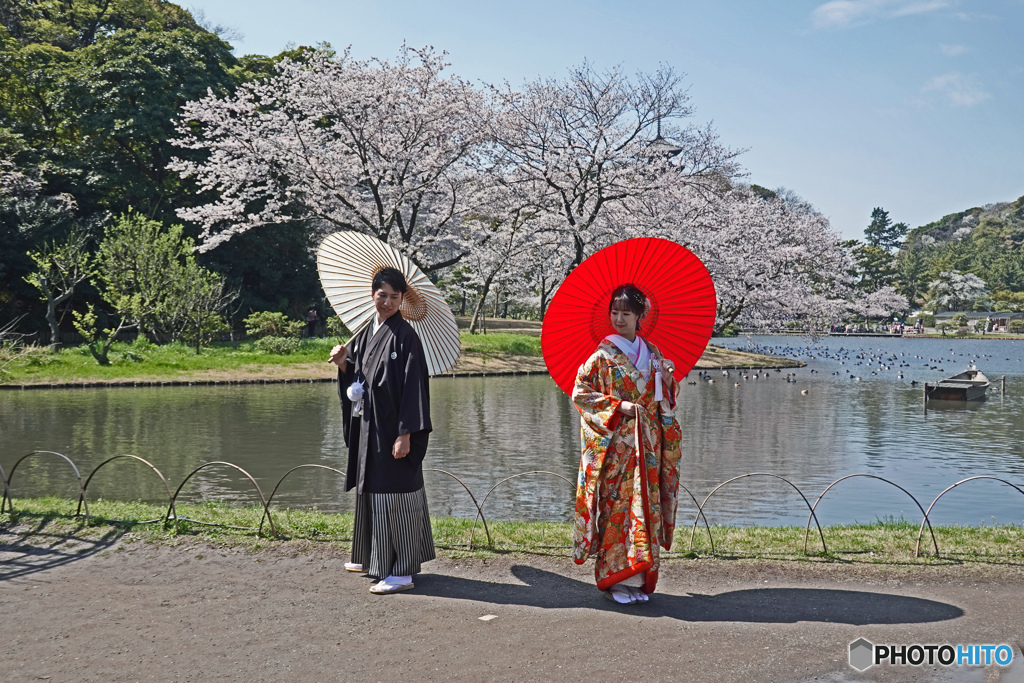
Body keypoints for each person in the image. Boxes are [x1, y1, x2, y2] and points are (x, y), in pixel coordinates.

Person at [571, 283, 683, 605]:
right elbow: (580, 392)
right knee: (618, 508)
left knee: (644, 509)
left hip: (647, 443)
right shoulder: (602, 356)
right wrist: (618, 406)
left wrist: (665, 376)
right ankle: (614, 580)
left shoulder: (654, 353)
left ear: (640, 316)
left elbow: (666, 398)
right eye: (614, 313)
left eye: (626, 313)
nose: (619, 319)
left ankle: (637, 579)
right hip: (617, 446)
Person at [329, 267, 435, 594]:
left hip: (392, 429)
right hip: (369, 427)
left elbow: (415, 388)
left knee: (395, 492)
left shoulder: (406, 337)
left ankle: (402, 570)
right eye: (382, 295)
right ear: (372, 295)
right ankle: (370, 557)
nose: (387, 302)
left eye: (394, 296)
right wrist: (344, 366)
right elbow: (360, 376)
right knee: (371, 487)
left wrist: (407, 433)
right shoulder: (364, 334)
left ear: (403, 299)